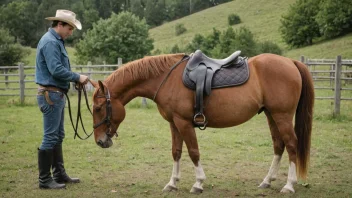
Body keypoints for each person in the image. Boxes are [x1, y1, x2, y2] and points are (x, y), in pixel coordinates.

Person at [35, 9, 88, 189]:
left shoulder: (56, 41)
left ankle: (58, 174)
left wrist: (72, 79)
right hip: (51, 95)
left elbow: (58, 70)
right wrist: (77, 77)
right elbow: (56, 70)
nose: (71, 32)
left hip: (56, 94)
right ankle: (45, 180)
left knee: (58, 135)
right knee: (50, 137)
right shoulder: (50, 42)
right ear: (60, 25)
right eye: (69, 28)